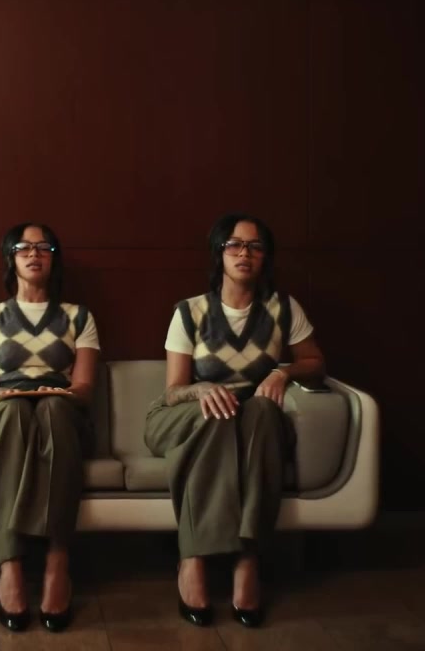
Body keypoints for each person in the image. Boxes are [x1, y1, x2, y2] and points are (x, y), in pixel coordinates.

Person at [145, 212, 325, 629]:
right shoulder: (190, 312)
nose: (245, 253)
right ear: (219, 253)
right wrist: (201, 389)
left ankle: (247, 561)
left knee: (262, 410)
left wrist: (283, 372)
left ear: (265, 257)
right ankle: (193, 559)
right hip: (185, 417)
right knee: (217, 413)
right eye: (235, 245)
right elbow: (173, 390)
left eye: (255, 246)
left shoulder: (283, 308)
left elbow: (315, 361)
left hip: (250, 422)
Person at [0, 222, 100, 633]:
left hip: (61, 412)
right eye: (24, 247)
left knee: (52, 411)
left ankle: (57, 562)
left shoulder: (78, 317)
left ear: (54, 259)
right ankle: (10, 566)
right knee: (15, 413)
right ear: (11, 257)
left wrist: (59, 394)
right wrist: (2, 396)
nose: (34, 254)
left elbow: (84, 389)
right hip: (1, 412)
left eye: (44, 248)